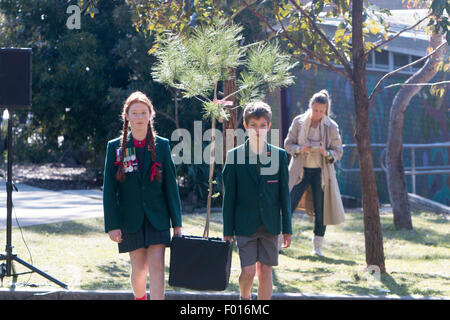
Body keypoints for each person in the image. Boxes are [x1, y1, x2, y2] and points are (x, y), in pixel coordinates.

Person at [103, 91, 182, 300]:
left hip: (158, 217)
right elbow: (109, 191)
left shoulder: (162, 145)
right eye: (134, 113)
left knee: (157, 267)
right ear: (127, 116)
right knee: (139, 268)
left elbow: (171, 188)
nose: (139, 117)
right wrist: (112, 225)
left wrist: (178, 225)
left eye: (143, 112)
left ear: (150, 115)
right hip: (130, 219)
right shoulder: (114, 148)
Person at [222, 101, 292, 300]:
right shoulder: (234, 156)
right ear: (246, 126)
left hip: (270, 224)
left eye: (262, 125)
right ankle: (245, 300)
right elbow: (229, 199)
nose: (258, 130)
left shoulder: (278, 156)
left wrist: (287, 228)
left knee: (265, 271)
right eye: (253, 125)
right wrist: (227, 232)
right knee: (249, 271)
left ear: (269, 127)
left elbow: (284, 196)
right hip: (245, 224)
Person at [284, 89, 345, 256]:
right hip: (300, 170)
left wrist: (327, 153)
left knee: (321, 209)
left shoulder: (331, 126)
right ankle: (278, 243)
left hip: (321, 172)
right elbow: (288, 145)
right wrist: (299, 148)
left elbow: (338, 151)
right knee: (288, 204)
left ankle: (317, 248)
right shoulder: (298, 122)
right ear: (310, 106)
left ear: (325, 110)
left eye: (321, 111)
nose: (318, 114)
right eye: (316, 110)